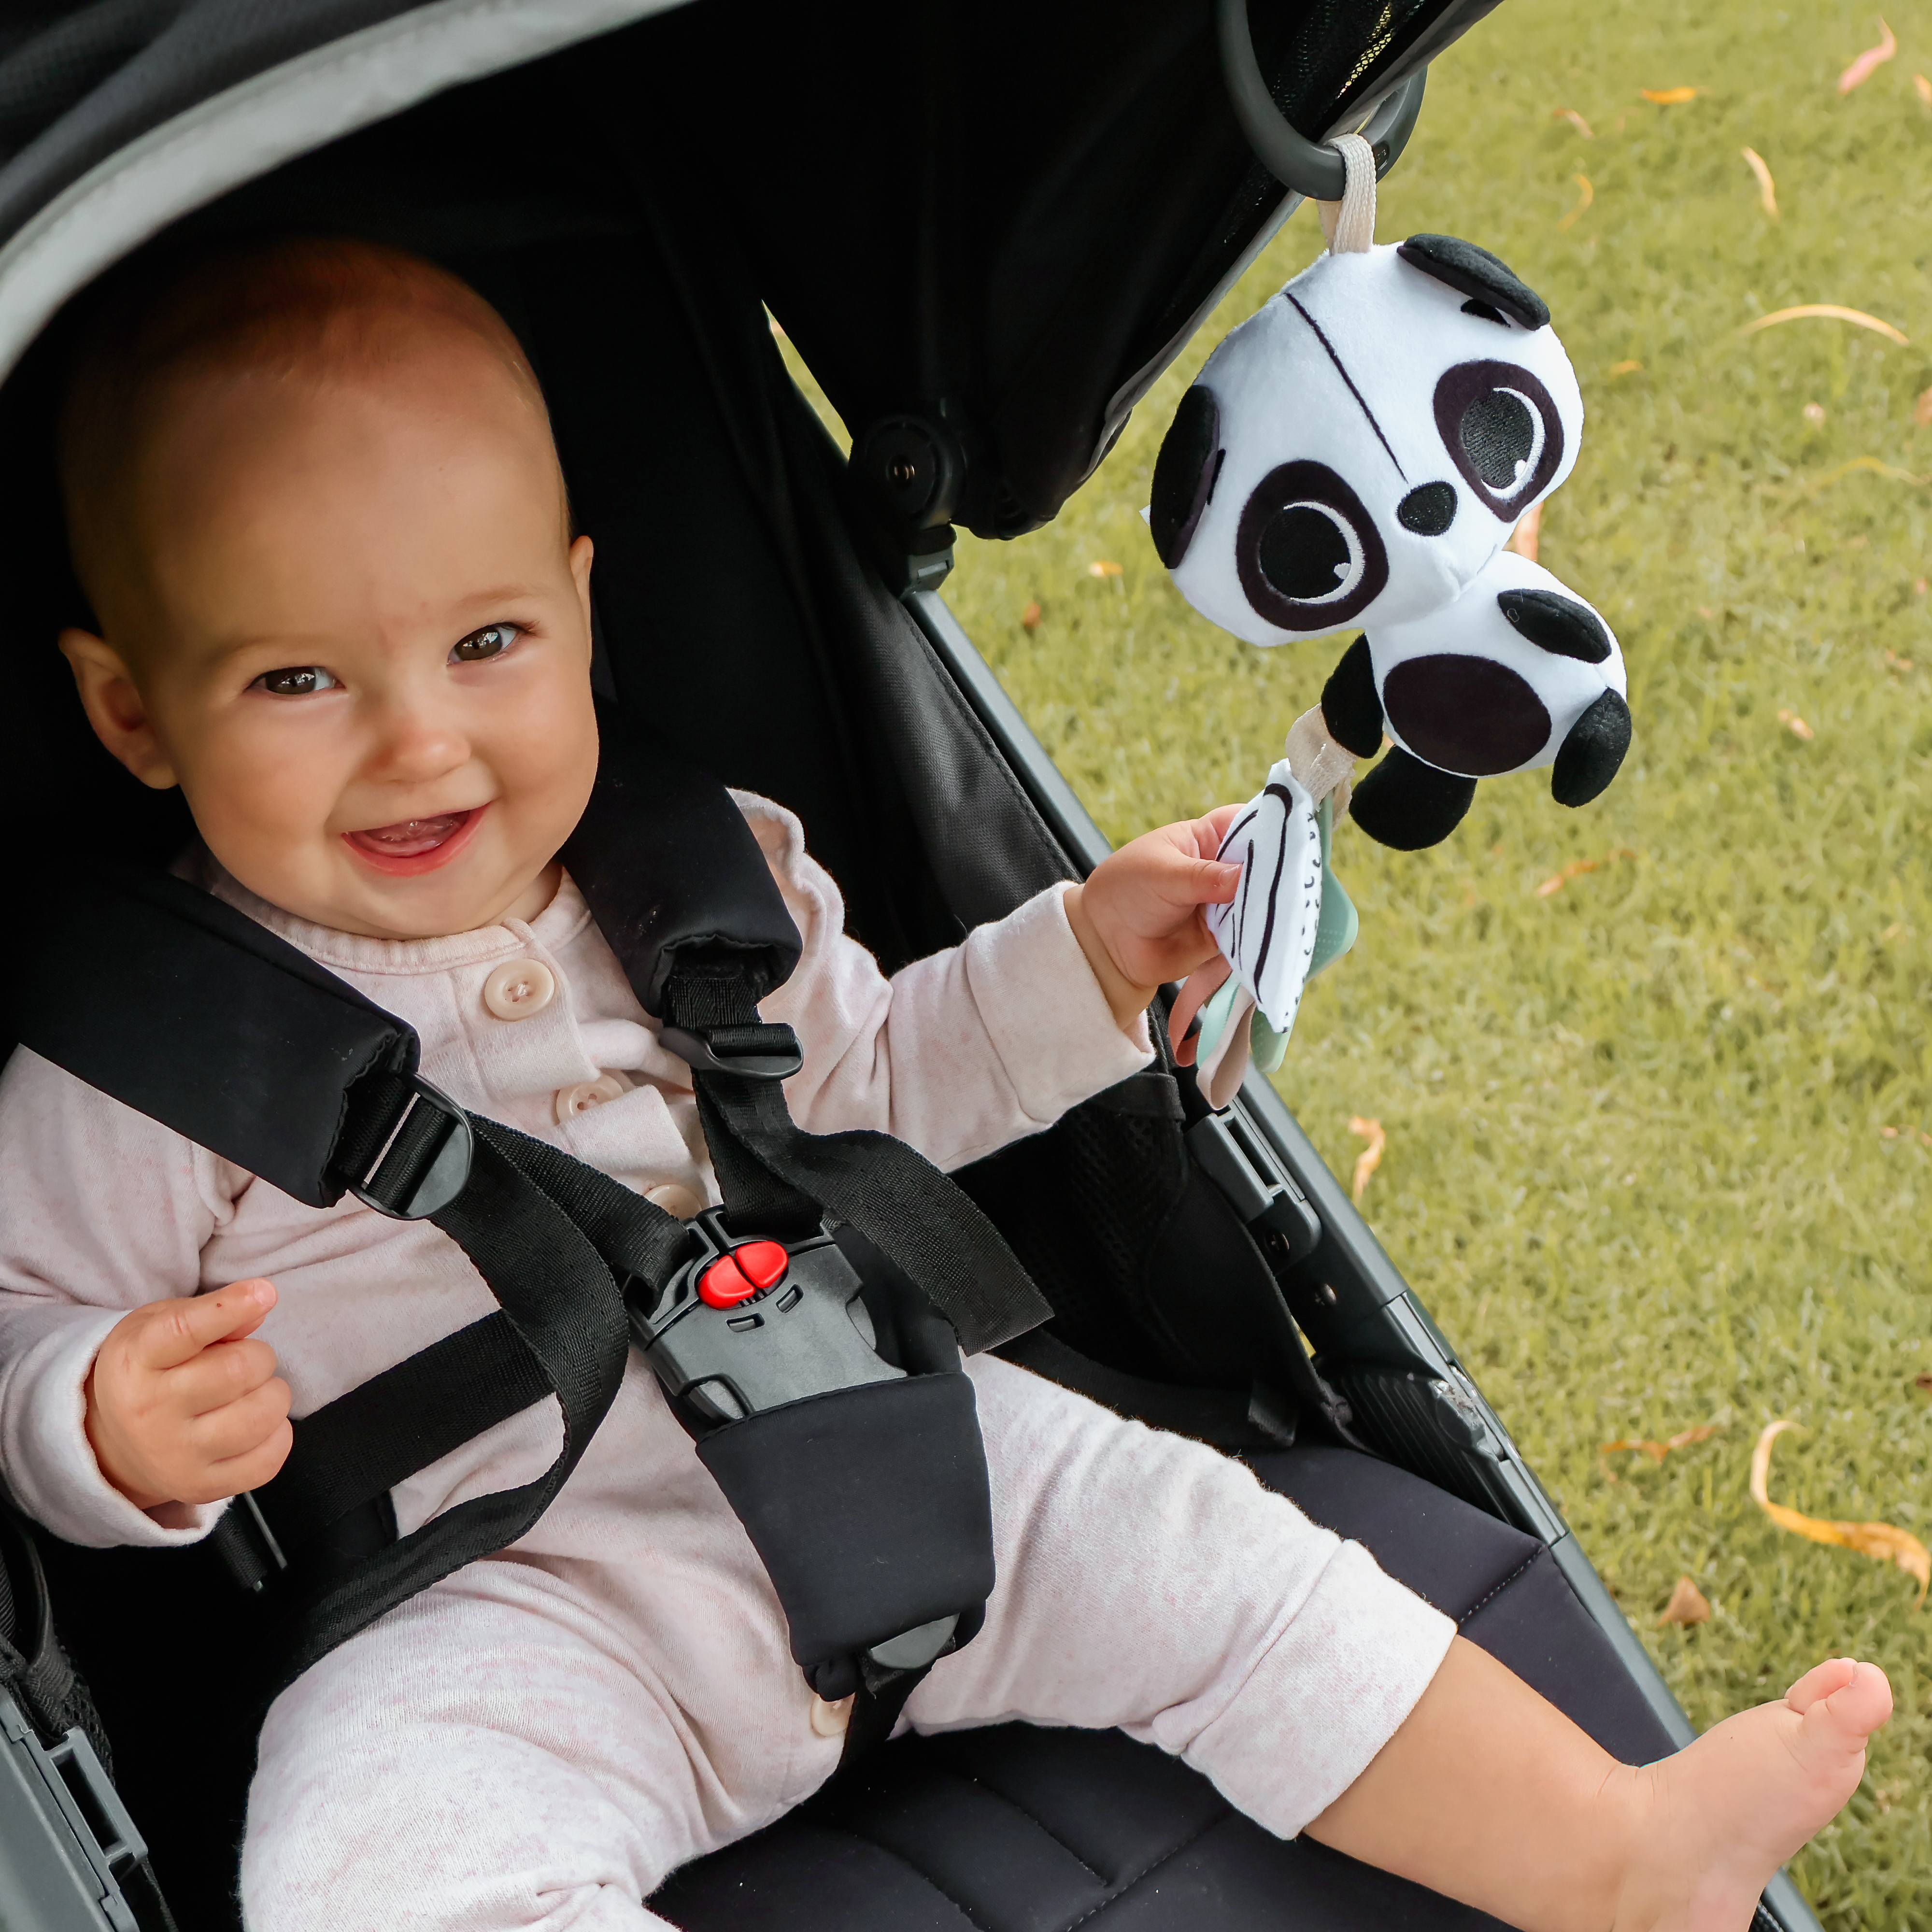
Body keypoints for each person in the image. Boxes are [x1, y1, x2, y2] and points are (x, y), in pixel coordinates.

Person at [0, 236, 1888, 1932]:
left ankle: (1613, 1853)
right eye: (298, 683)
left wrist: (1088, 959)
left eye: (486, 644)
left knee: (1213, 1558)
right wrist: (98, 1418)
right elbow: (17, 1325)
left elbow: (883, 1087)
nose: (420, 740)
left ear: (579, 604)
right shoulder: (145, 1061)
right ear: (132, 711)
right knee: (367, 1864)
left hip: (886, 1429)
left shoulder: (709, 875)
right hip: (516, 1604)